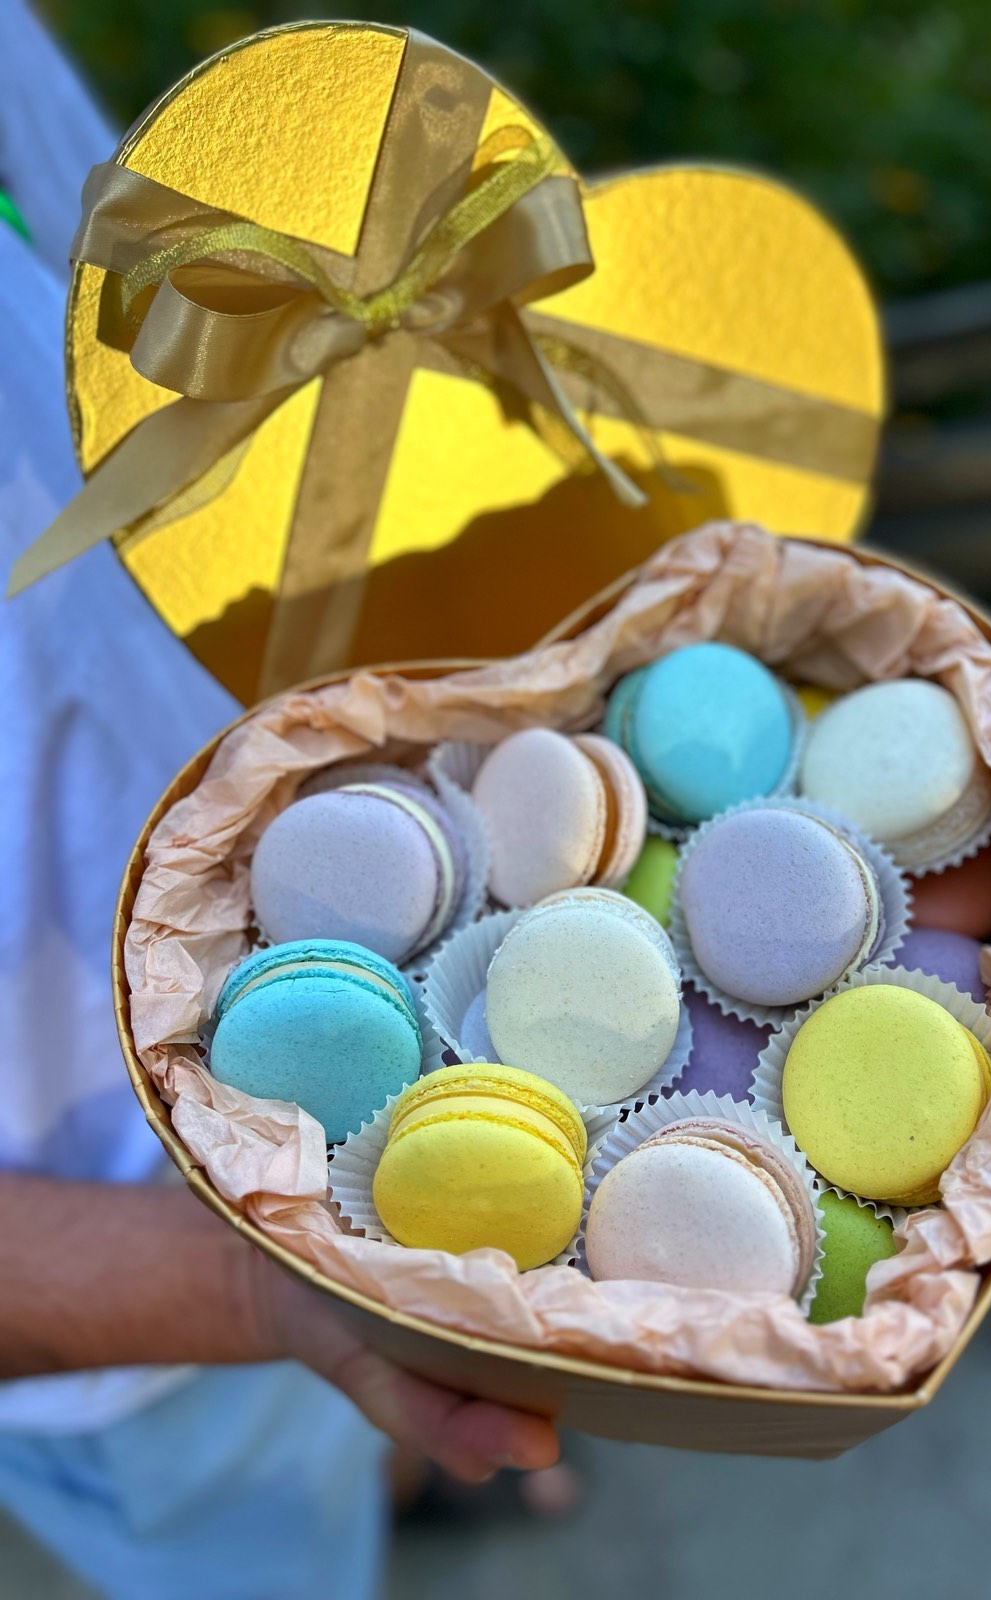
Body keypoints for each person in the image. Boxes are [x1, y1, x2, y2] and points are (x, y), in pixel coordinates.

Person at [0, 9, 558, 1597]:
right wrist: (265, 1293)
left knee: (385, 1384)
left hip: (325, 1008)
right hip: (139, 1300)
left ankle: (391, 1461)